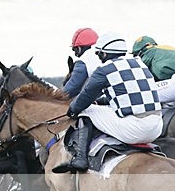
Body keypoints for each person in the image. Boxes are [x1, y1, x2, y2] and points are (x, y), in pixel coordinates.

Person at [53, 32, 163, 173]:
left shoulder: (104, 70)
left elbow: (84, 99)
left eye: (99, 54)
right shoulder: (139, 63)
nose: (98, 57)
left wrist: (72, 110)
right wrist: (101, 101)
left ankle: (80, 159)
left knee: (86, 110)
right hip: (157, 126)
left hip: (135, 129)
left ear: (104, 54)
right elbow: (126, 94)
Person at [62, 27, 102, 98]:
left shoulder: (84, 60)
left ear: (79, 48)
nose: (75, 55)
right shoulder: (105, 53)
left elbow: (71, 89)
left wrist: (55, 97)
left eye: (75, 50)